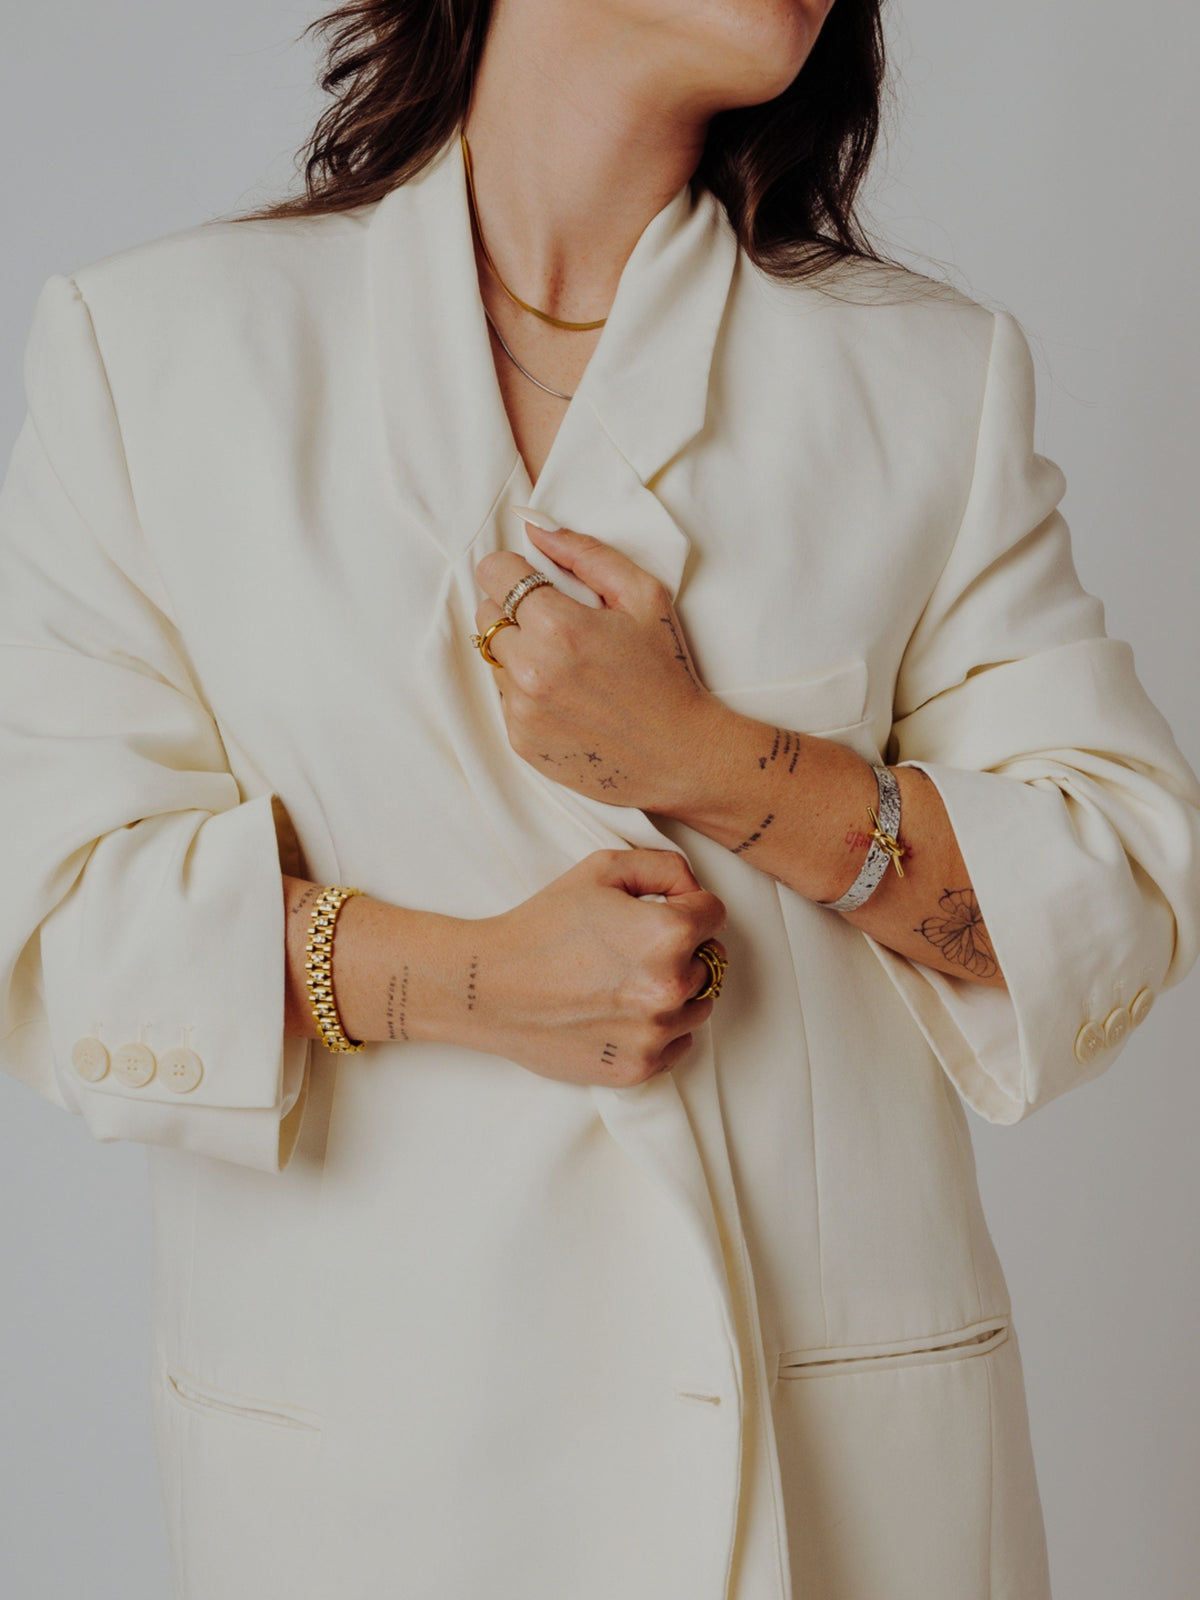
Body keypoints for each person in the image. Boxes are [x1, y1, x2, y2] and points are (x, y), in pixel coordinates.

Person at [1, 2, 1197, 1596]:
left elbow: (1113, 885)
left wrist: (707, 759)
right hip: (371, 1493)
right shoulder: (160, 352)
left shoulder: (921, 376)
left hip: (836, 1505)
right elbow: (56, 910)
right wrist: (467, 980)